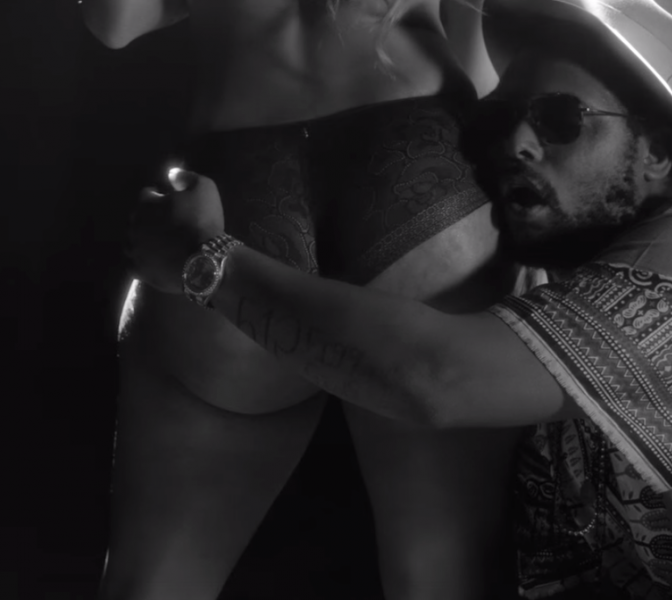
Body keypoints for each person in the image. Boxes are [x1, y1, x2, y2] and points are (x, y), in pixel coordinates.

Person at [127, 0, 672, 598]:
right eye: (499, 119)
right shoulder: (558, 299)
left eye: (561, 119)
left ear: (656, 153)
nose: (515, 143)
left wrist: (206, 261)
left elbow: (436, 377)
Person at [84, 0, 524, 598]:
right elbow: (484, 57)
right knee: (446, 569)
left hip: (236, 177)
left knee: (154, 584)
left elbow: (114, 24)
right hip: (422, 156)